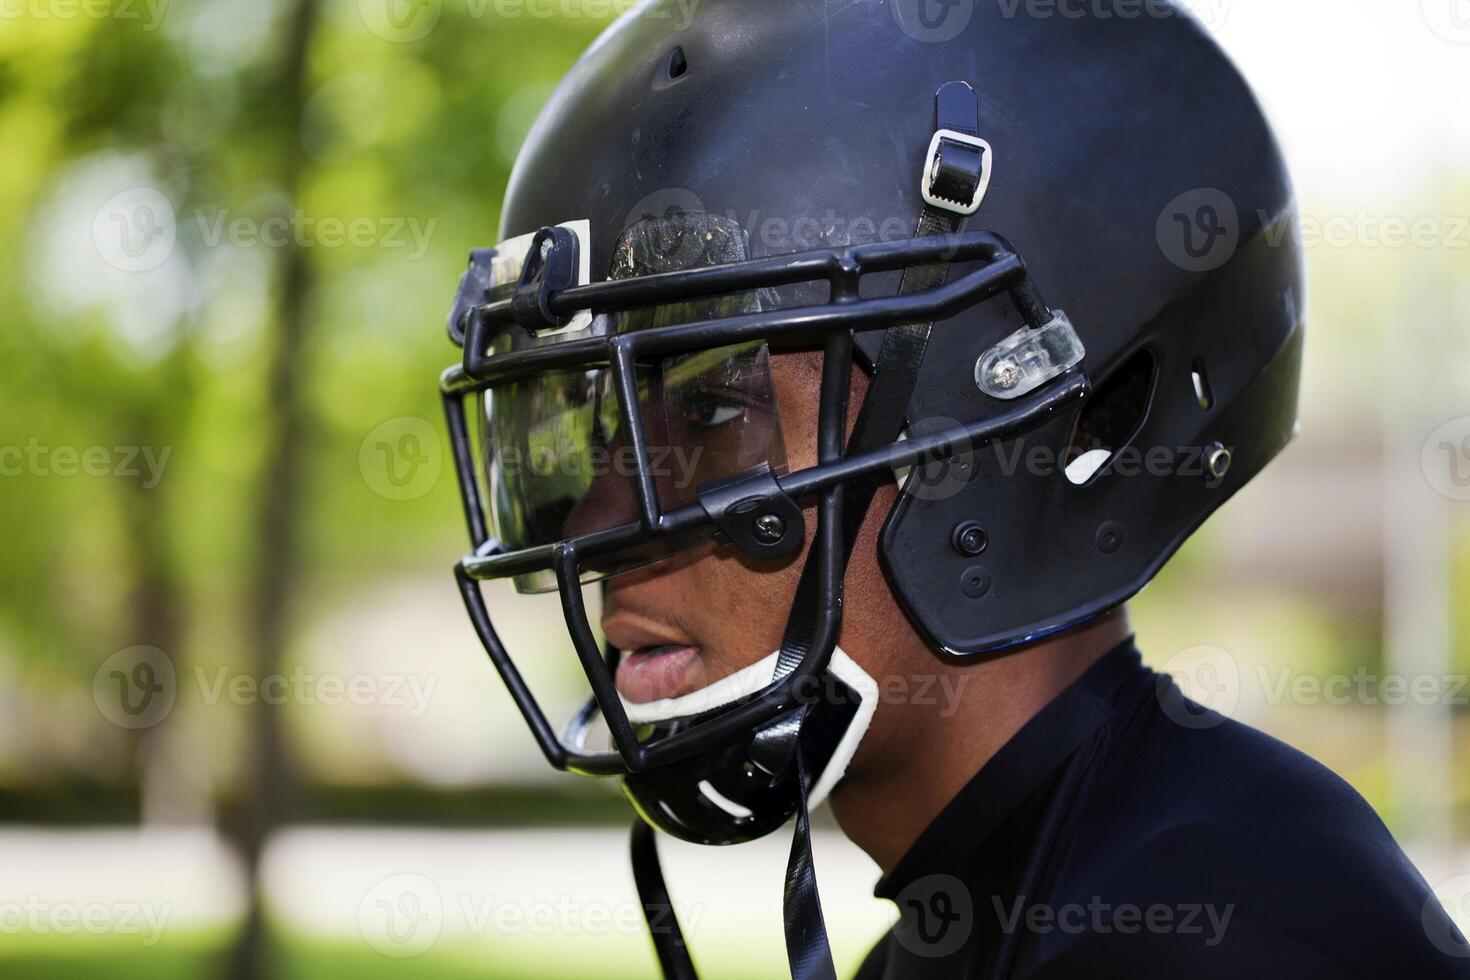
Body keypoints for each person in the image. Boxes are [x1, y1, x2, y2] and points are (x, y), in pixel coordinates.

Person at [435, 1, 1470, 977]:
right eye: (601, 422)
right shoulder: (1007, 905)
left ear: (1027, 418)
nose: (600, 523)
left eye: (712, 409)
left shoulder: (1231, 931)